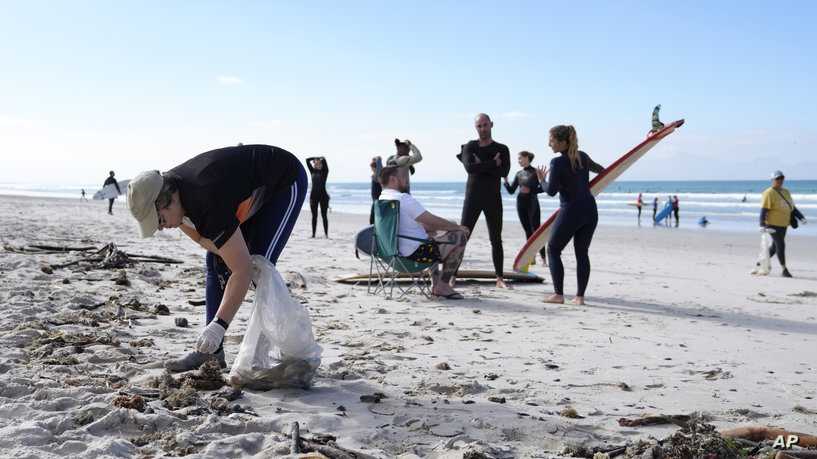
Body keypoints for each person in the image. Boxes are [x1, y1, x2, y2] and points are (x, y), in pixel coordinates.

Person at [127, 144, 307, 372]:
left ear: (168, 200)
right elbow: (206, 241)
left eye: (159, 221)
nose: (161, 228)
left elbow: (242, 269)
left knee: (259, 269)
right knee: (215, 262)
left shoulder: (205, 198)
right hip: (240, 193)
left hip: (283, 180)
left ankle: (279, 355)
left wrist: (219, 325)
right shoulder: (171, 193)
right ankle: (212, 354)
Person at [536, 125, 604, 305]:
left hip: (571, 210)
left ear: (562, 142)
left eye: (551, 140)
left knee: (553, 249)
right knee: (582, 252)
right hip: (590, 210)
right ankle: (579, 297)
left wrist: (542, 180)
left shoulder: (556, 162)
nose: (549, 144)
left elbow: (550, 191)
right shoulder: (583, 156)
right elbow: (602, 170)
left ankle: (558, 295)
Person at [378, 165, 470, 299]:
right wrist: (457, 228)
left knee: (432, 235)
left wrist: (446, 226)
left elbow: (418, 225)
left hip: (392, 254)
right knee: (459, 236)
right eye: (403, 177)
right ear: (393, 179)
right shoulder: (403, 198)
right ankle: (443, 285)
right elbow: (430, 219)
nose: (406, 180)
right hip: (414, 256)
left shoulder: (382, 200)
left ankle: (436, 283)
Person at [457, 113, 511, 288]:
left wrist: (482, 165)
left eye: (485, 125)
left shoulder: (502, 149)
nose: (482, 129)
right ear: (476, 127)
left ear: (491, 125)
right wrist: (493, 163)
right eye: (479, 126)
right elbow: (469, 168)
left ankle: (500, 278)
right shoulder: (470, 146)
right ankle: (452, 275)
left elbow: (504, 172)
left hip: (493, 198)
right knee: (463, 237)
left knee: (496, 239)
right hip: (472, 198)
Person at [760, 170, 806, 278]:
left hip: (784, 224)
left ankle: (760, 262)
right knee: (781, 245)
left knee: (775, 247)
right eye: (777, 179)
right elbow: (764, 210)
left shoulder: (786, 192)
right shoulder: (768, 193)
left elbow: (792, 207)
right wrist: (761, 224)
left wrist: (801, 217)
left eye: (781, 178)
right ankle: (784, 269)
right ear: (772, 180)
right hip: (772, 225)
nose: (780, 180)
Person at [504, 151, 546, 265]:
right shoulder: (518, 173)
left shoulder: (536, 172)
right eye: (518, 159)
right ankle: (531, 257)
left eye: (520, 158)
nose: (519, 161)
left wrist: (531, 190)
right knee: (527, 230)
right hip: (520, 203)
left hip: (532, 203)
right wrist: (506, 182)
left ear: (527, 158)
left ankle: (543, 258)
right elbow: (512, 191)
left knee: (536, 230)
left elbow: (544, 188)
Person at [305, 156, 330, 238]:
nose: (317, 164)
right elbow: (307, 160)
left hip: (323, 196)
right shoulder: (312, 171)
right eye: (315, 163)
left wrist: (320, 159)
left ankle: (326, 234)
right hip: (313, 196)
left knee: (324, 215)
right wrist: (315, 158)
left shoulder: (325, 171)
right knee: (314, 216)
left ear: (321, 164)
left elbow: (324, 159)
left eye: (319, 163)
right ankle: (313, 234)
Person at [369, 156, 383, 224]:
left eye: (372, 167)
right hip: (375, 201)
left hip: (378, 200)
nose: (371, 169)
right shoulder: (374, 176)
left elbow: (380, 168)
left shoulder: (378, 176)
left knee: (373, 219)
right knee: (372, 219)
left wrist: (378, 159)